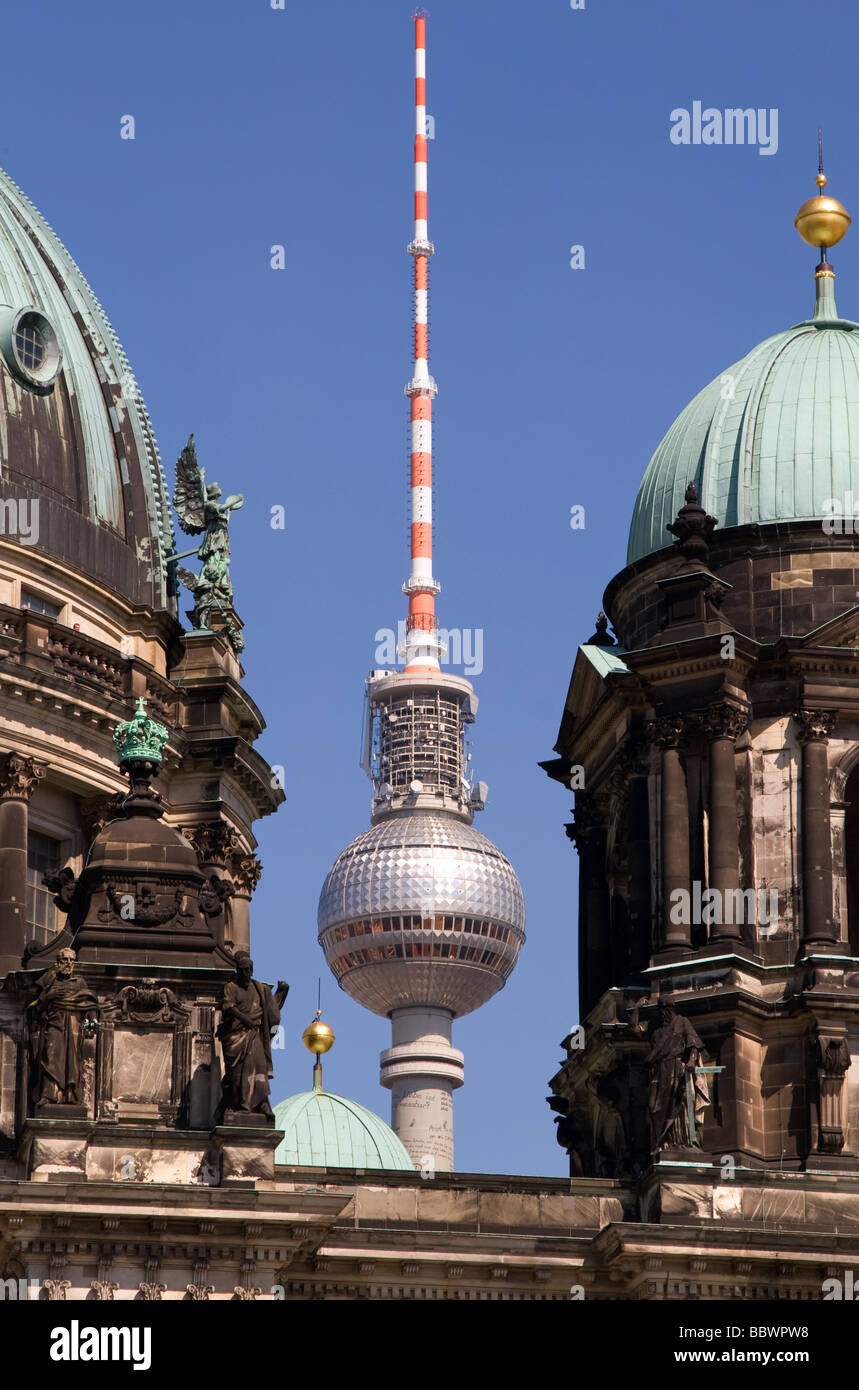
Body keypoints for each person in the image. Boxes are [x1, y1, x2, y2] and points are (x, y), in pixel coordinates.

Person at [217, 953, 288, 1117]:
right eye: (242, 970)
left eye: (248, 970)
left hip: (254, 1034)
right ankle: (241, 1104)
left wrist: (282, 993)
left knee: (259, 1066)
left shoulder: (259, 989)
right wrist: (245, 1019)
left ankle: (261, 1103)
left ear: (252, 970)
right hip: (236, 1037)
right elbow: (228, 1007)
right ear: (238, 971)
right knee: (239, 1071)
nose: (245, 973)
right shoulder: (231, 987)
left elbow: (271, 1013)